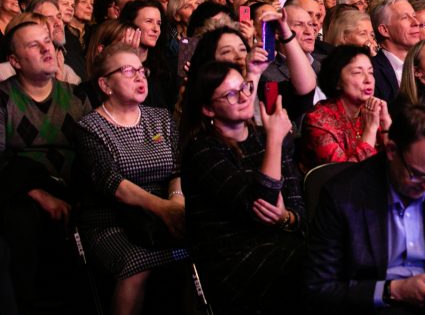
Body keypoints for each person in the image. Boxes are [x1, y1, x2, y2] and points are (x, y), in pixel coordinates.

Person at [304, 102, 425, 313]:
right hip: (375, 300)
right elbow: (319, 288)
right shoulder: (343, 194)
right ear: (392, 150)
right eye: (419, 175)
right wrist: (392, 290)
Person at [180, 61, 304, 314]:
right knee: (316, 265)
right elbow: (260, 206)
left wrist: (286, 218)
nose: (245, 97)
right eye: (231, 94)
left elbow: (297, 205)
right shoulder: (202, 150)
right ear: (208, 108)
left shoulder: (264, 135)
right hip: (233, 262)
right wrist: (275, 141)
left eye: (245, 88)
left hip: (282, 245)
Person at [76, 44, 188, 315]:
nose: (140, 77)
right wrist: (164, 209)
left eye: (141, 70)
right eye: (128, 71)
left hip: (166, 211)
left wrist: (176, 203)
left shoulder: (160, 117)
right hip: (112, 219)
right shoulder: (90, 127)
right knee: (139, 263)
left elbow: (177, 170)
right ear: (105, 84)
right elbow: (111, 183)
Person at [0, 21, 93, 312]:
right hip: (24, 194)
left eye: (48, 42)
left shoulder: (77, 95)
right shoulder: (3, 98)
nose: (47, 49)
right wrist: (40, 194)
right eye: (33, 45)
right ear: (14, 61)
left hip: (75, 186)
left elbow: (96, 150)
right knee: (22, 222)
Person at [298, 45, 391, 172]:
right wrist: (370, 130)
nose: (368, 80)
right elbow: (345, 178)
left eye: (371, 72)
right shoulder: (318, 120)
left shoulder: (371, 111)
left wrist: (386, 124)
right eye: (358, 72)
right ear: (337, 81)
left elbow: (398, 166)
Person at [371, 0, 421, 102]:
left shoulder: (424, 64)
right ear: (384, 30)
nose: (416, 23)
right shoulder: (372, 73)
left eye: (414, 16)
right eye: (405, 18)